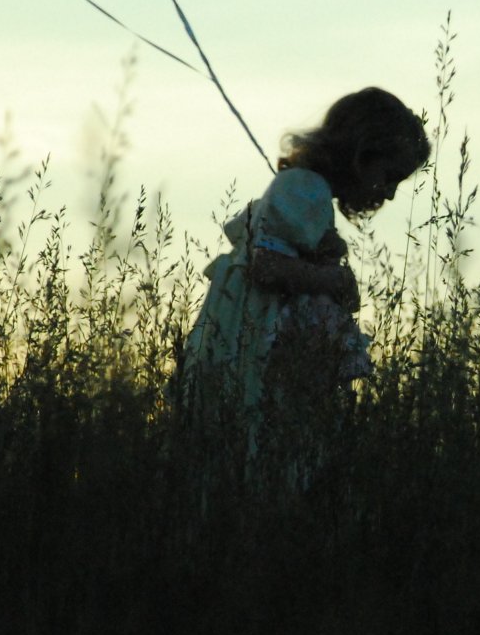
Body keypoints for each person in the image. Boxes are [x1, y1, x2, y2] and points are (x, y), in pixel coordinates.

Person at [180, 87, 429, 477]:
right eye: (390, 176)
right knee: (255, 449)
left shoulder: (308, 190)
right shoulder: (304, 188)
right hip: (254, 344)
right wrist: (334, 280)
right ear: (362, 155)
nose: (392, 193)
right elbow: (266, 266)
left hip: (252, 341)